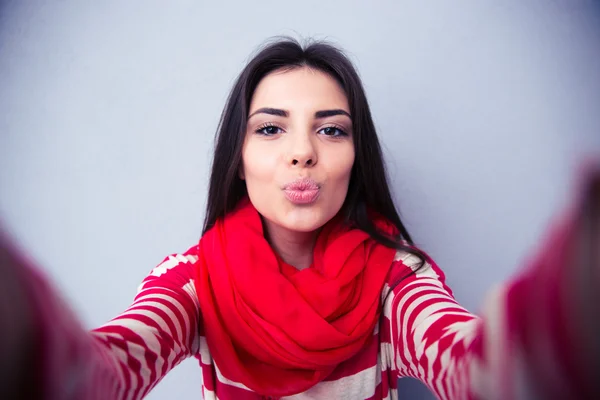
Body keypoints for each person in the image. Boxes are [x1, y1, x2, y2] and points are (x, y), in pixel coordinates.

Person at [1, 37, 599, 400]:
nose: (302, 151)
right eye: (270, 128)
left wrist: (570, 305)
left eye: (331, 129)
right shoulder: (191, 280)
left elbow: (474, 366)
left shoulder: (398, 280)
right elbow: (105, 373)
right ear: (238, 160)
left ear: (353, 156)